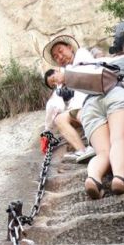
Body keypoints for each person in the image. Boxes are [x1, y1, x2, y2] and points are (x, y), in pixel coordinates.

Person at [78, 30, 124, 199]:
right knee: (119, 139)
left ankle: (93, 178)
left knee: (103, 152)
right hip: (118, 93)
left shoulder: (108, 61)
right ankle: (119, 178)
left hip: (90, 103)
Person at [42, 34, 95, 163]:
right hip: (78, 107)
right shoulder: (68, 70)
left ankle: (96, 143)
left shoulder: (81, 55)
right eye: (55, 56)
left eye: (60, 51)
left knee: (78, 113)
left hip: (91, 101)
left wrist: (65, 77)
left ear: (70, 47)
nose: (59, 57)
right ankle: (82, 150)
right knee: (60, 119)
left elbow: (87, 74)